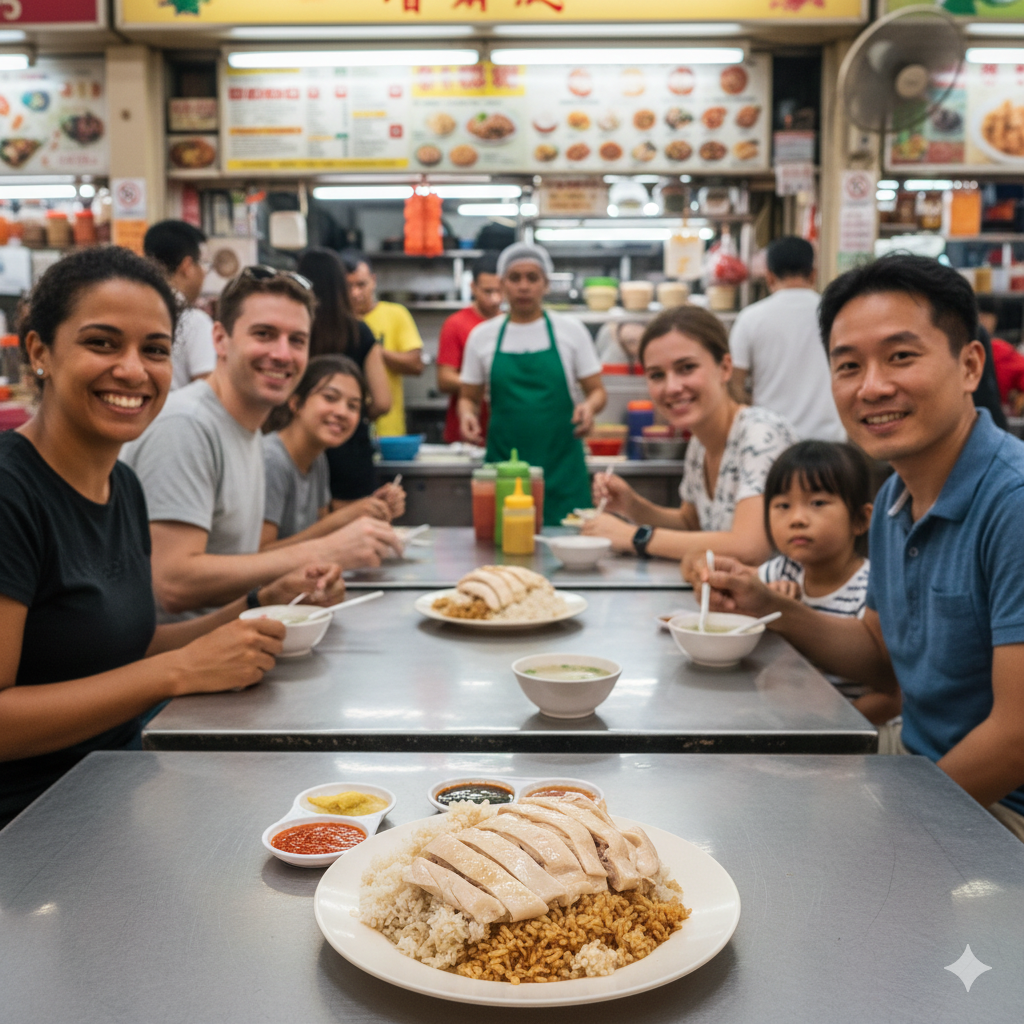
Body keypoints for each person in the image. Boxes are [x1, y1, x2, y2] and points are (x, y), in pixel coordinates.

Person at [0, 247, 346, 828]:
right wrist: (179, 672)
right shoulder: (12, 492)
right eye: (102, 343)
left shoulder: (124, 488)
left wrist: (259, 603)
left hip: (118, 786)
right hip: (30, 830)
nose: (134, 370)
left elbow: (121, 646)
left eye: (154, 350)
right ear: (40, 351)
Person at [699, 253, 1024, 842]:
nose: (872, 387)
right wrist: (766, 606)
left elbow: (1017, 736)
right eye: (848, 366)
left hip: (1001, 809)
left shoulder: (1013, 503)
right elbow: (878, 653)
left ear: (970, 364)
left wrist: (894, 827)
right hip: (921, 764)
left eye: (901, 356)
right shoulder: (897, 495)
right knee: (735, 802)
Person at [122, 264, 401, 618]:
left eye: (296, 340)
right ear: (221, 339)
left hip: (230, 647)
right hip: (175, 663)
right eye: (264, 334)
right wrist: (326, 550)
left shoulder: (248, 431)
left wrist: (287, 585)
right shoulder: (186, 426)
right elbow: (173, 584)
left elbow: (239, 563)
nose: (283, 354)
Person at [584, 305, 797, 563]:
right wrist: (633, 507)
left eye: (686, 368)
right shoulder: (700, 442)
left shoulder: (760, 434)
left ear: (725, 368)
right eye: (657, 375)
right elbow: (691, 524)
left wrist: (635, 536)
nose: (672, 387)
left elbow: (749, 546)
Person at [458, 242, 607, 524]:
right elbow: (468, 397)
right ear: (502, 284)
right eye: (515, 278)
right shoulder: (482, 336)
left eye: (532, 278)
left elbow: (597, 391)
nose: (523, 286)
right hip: (505, 470)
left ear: (546, 284)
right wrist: (467, 414)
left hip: (562, 469)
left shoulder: (571, 331)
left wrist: (589, 408)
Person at [759, 440, 900, 725]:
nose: (797, 519)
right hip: (793, 723)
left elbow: (892, 698)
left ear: (861, 519)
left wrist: (829, 727)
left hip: (852, 736)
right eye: (783, 505)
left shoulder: (872, 591)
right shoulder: (780, 572)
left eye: (818, 503)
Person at [296, 247, 402, 513]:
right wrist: (351, 413)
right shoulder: (359, 332)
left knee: (302, 533)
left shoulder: (296, 332)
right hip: (351, 450)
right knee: (355, 536)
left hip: (301, 449)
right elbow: (382, 401)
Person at [262, 354, 405, 546]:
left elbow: (320, 530)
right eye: (330, 398)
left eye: (353, 406)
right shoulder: (271, 460)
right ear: (296, 403)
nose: (341, 412)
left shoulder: (317, 458)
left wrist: (372, 507)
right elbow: (257, 556)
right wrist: (347, 517)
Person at [727, 236, 844, 442]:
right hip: (829, 443)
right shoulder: (835, 315)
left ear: (769, 276)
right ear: (813, 274)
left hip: (770, 441)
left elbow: (733, 384)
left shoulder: (750, 318)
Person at [341, 250, 423, 437]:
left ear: (374, 280)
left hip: (389, 431)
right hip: (345, 429)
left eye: (361, 285)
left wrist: (370, 348)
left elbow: (416, 364)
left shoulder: (396, 314)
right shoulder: (337, 323)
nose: (355, 293)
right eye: (348, 286)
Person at [436, 251, 502, 443]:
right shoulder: (456, 324)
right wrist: (487, 385)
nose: (495, 299)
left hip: (502, 431)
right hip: (464, 433)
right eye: (488, 291)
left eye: (500, 291)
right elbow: (444, 379)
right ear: (472, 287)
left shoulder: (512, 324)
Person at [143, 219, 217, 389]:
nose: (205, 273)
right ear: (187, 266)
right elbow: (206, 394)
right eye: (204, 264)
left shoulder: (131, 310)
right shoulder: (194, 322)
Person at [978, 295, 1024, 414]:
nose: (982, 321)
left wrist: (1017, 397)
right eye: (979, 316)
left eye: (985, 317)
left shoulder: (1002, 351)